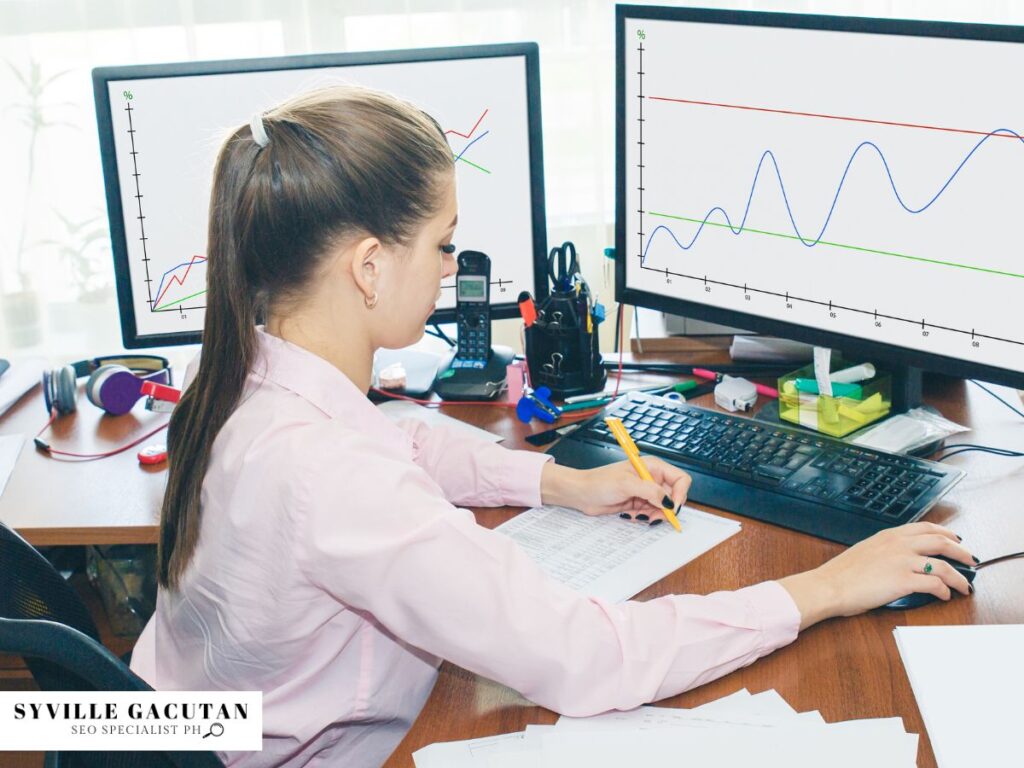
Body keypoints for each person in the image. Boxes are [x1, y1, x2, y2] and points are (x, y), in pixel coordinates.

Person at [130, 85, 976, 768]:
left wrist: (557, 481)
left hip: (194, 728)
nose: (452, 270)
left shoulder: (244, 372)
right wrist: (825, 588)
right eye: (443, 246)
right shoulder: (333, 480)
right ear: (369, 265)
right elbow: (591, 659)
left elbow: (400, 435)